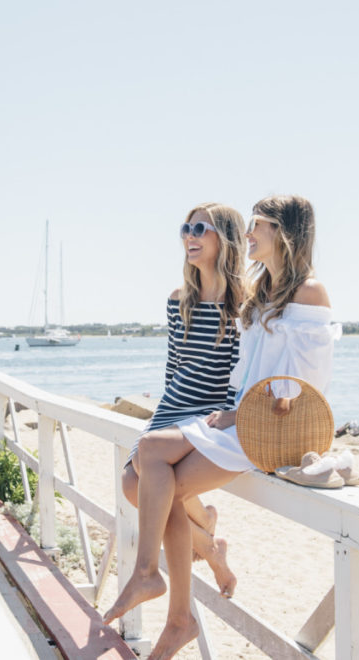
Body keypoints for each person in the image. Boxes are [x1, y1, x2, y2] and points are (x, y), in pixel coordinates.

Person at [103, 195, 339, 659]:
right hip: (241, 422)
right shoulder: (266, 291)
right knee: (151, 476)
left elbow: (306, 383)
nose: (250, 234)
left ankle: (159, 582)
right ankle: (178, 612)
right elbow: (242, 370)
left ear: (284, 234)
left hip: (269, 432)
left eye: (259, 225)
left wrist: (240, 410)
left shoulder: (310, 292)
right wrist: (236, 408)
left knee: (151, 462)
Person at [120, 203, 246, 599]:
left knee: (150, 475)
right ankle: (210, 546)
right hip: (175, 404)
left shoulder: (244, 301)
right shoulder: (180, 299)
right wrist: (162, 413)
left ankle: (157, 572)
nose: (189, 236)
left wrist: (229, 414)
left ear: (224, 238)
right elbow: (174, 365)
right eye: (185, 229)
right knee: (130, 483)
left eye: (199, 229)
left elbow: (238, 370)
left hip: (209, 413)